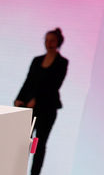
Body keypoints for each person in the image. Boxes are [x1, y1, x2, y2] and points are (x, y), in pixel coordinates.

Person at [14, 28, 69, 175]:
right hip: (29, 107)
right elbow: (28, 81)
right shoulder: (37, 60)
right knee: (24, 141)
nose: (48, 43)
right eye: (46, 40)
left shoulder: (62, 62)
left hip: (47, 108)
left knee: (39, 143)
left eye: (52, 40)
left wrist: (36, 100)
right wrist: (19, 98)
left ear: (58, 42)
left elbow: (54, 84)